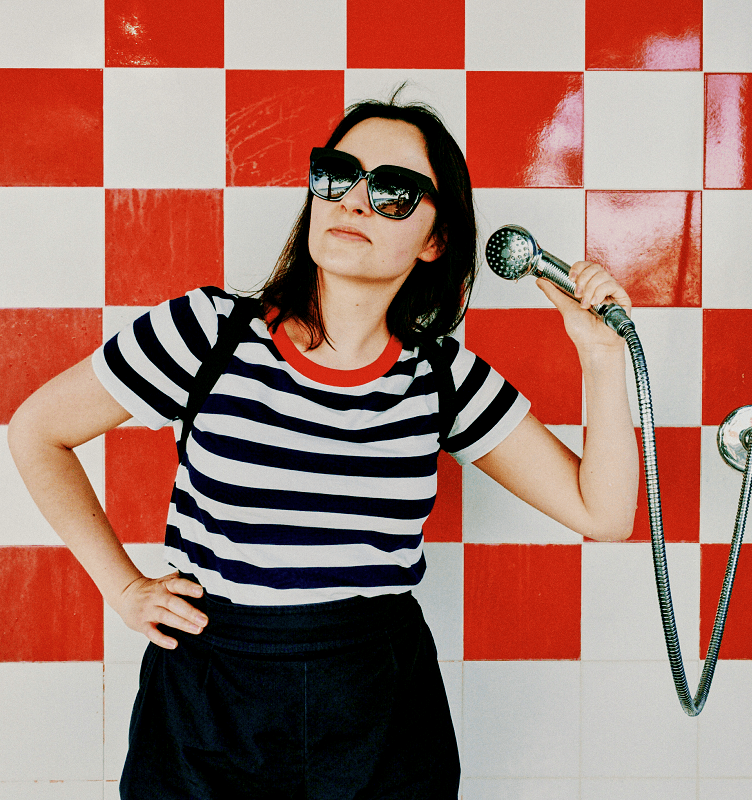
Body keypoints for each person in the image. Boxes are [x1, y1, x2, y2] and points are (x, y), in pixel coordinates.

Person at [8, 95, 638, 799]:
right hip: (209, 705)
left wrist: (602, 360)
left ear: (436, 239)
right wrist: (123, 587)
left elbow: (603, 513)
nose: (356, 201)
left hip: (378, 712)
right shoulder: (207, 332)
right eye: (338, 174)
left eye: (395, 191)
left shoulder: (440, 377)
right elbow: (37, 430)